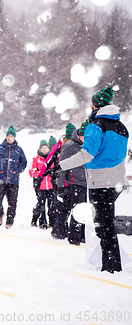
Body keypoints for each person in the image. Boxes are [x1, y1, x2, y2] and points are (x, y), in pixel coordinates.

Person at [56, 87, 128, 273]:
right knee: (107, 223)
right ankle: (112, 263)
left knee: (103, 226)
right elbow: (118, 155)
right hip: (117, 181)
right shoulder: (121, 127)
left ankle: (111, 267)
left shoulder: (96, 126)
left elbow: (86, 154)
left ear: (96, 104)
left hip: (100, 182)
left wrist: (62, 164)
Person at [54, 120, 88, 244]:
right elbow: (62, 167)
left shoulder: (88, 144)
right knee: (77, 210)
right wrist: (60, 186)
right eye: (84, 136)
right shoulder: (68, 146)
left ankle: (83, 235)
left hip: (87, 183)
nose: (85, 138)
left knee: (86, 211)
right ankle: (74, 237)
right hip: (74, 183)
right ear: (79, 134)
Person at [0, 125, 27, 229]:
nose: (10, 138)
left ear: (14, 137)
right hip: (0, 179)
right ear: (6, 137)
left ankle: (9, 221)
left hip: (13, 181)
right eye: (8, 136)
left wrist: (16, 171)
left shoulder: (18, 149)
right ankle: (0, 213)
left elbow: (24, 163)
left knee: (12, 202)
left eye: (12, 136)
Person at [50, 123, 76, 239]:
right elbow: (58, 166)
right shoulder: (62, 149)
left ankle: (63, 231)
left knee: (64, 210)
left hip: (71, 183)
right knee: (63, 210)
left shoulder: (76, 147)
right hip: (63, 183)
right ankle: (59, 232)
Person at [28, 140, 55, 229]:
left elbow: (55, 169)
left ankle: (52, 222)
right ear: (39, 149)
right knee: (41, 204)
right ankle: (42, 222)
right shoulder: (35, 159)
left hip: (51, 186)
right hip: (40, 186)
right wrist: (40, 174)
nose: (44, 150)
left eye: (46, 148)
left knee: (52, 205)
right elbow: (31, 171)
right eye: (42, 148)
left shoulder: (52, 158)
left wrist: (51, 173)